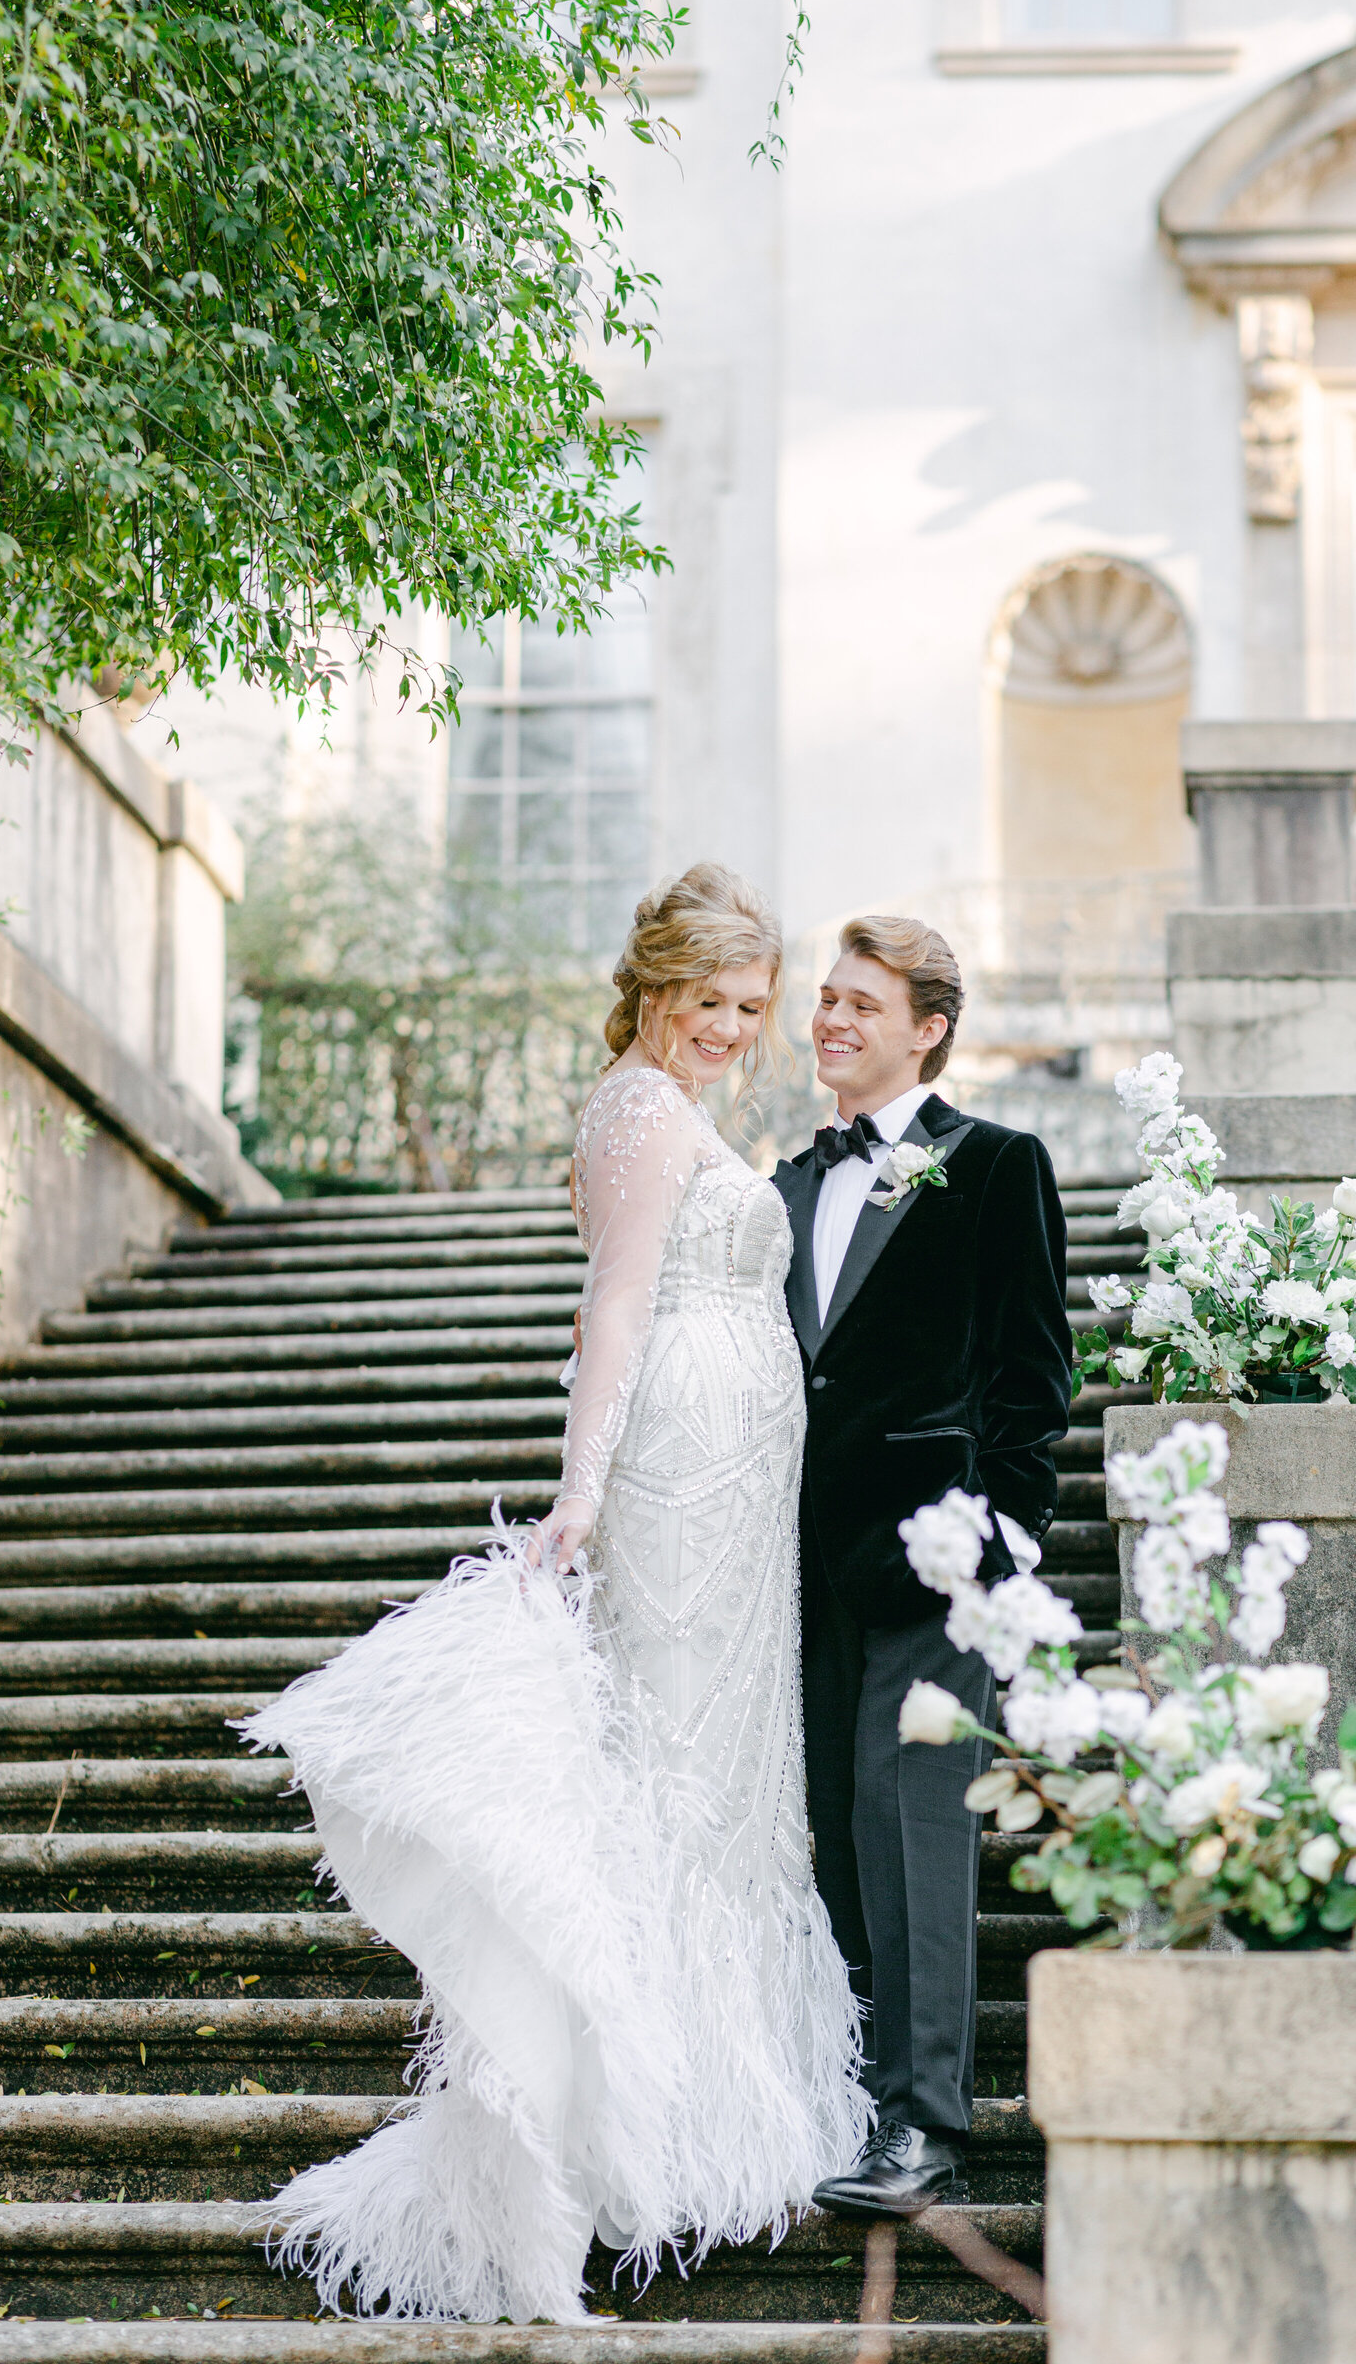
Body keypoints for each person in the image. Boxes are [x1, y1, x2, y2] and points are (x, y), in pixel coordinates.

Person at [241, 864, 867, 2324]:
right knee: (676, 1773)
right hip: (675, 1476)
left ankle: (709, 2114)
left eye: (750, 1007)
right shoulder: (643, 1110)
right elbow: (620, 1303)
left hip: (741, 1482)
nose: (730, 1027)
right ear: (654, 988)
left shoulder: (679, 1106)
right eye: (708, 1000)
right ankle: (637, 2128)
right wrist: (581, 1492)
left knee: (728, 1777)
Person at [773, 916, 1072, 2220]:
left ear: (928, 1027)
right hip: (796, 1572)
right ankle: (837, 2096)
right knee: (832, 1839)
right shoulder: (785, 1183)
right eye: (825, 1000)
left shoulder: (996, 1164)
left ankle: (923, 2125)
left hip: (938, 1563)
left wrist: (1003, 1542)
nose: (829, 1020)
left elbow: (1034, 1376)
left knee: (918, 1837)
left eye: (859, 1004)